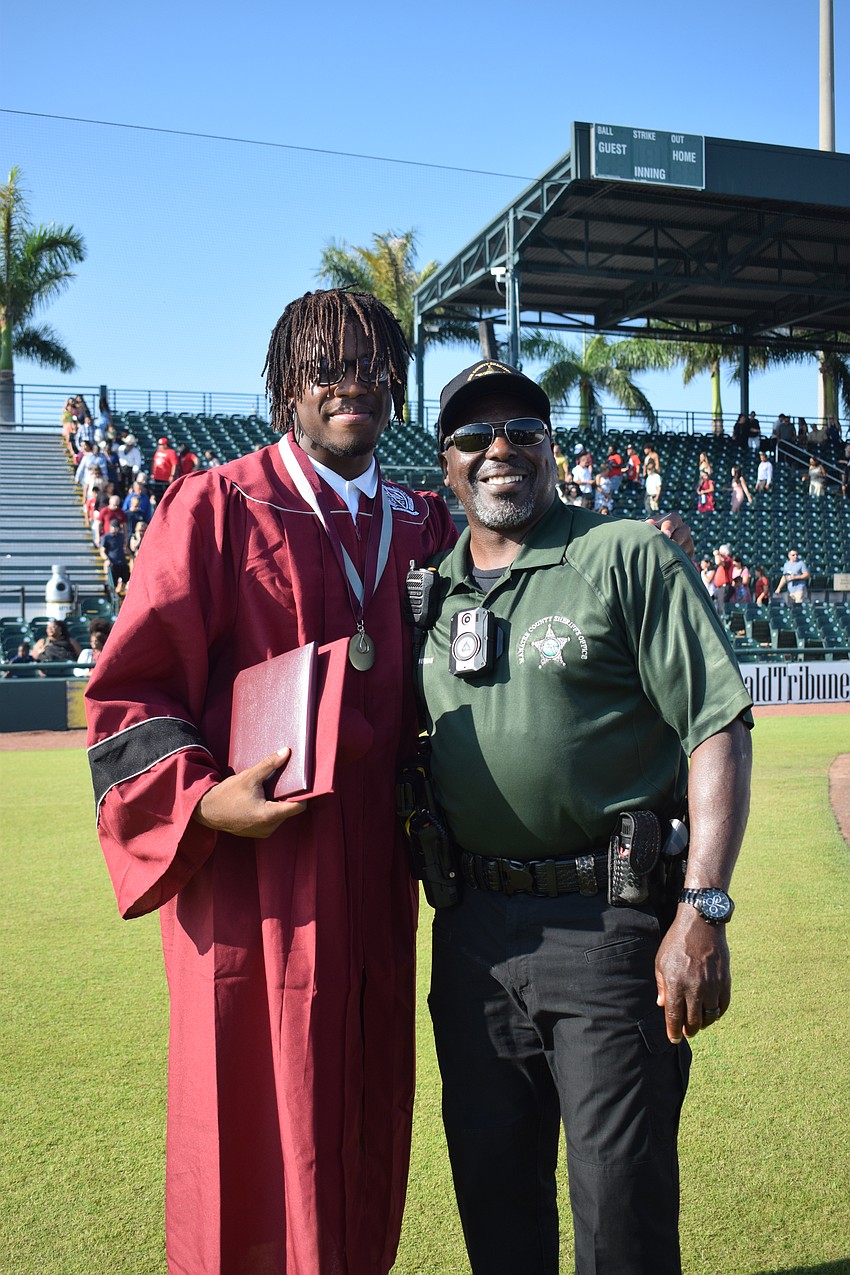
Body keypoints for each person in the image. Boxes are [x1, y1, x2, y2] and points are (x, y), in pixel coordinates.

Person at [84, 289, 458, 1275]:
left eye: (375, 368)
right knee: (250, 1121)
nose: (354, 385)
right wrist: (202, 799)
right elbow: (130, 694)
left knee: (366, 1116)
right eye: (328, 366)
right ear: (286, 384)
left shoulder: (425, 524)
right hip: (254, 883)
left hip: (379, 881)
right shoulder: (215, 507)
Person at [417, 360, 753, 1275]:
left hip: (606, 926)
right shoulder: (427, 594)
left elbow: (717, 723)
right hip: (472, 935)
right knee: (495, 1207)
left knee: (622, 1217)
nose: (499, 449)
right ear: (446, 463)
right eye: (474, 437)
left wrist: (703, 908)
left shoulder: (623, 553)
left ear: (551, 448)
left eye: (522, 431)